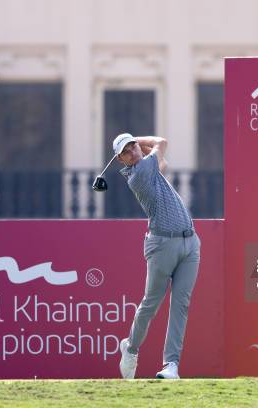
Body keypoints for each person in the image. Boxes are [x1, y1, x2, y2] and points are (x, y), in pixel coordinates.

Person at [113, 132, 201, 380]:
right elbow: (161, 142)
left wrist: (132, 142)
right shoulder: (139, 174)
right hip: (161, 244)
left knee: (180, 305)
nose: (132, 151)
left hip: (190, 242)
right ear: (122, 160)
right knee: (151, 304)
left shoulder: (148, 167)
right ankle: (130, 348)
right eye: (126, 152)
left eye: (133, 147)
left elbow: (161, 159)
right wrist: (137, 139)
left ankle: (170, 365)